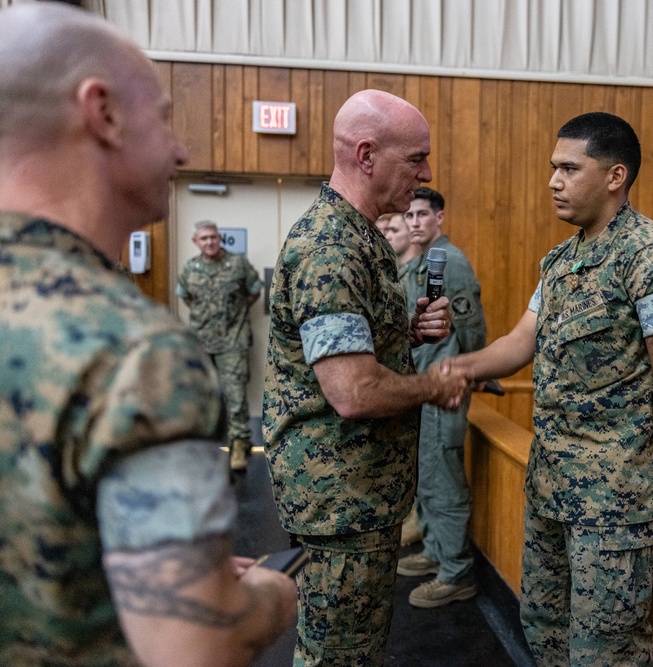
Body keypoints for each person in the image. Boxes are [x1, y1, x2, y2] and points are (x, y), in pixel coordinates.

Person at [0, 5, 297, 667]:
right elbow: (198, 639)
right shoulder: (134, 354)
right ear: (102, 112)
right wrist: (271, 595)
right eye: (163, 117)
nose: (180, 149)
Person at [443, 112, 653, 665]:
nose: (553, 181)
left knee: (604, 653)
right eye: (552, 168)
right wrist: (455, 368)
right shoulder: (561, 261)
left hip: (614, 500)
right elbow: (520, 340)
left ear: (615, 176)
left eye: (568, 168)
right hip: (551, 487)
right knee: (544, 631)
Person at [263, 89, 469, 666]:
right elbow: (352, 392)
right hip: (341, 497)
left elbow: (347, 352)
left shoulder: (359, 235)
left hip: (359, 494)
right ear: (367, 155)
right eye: (416, 159)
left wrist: (406, 333)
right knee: (338, 656)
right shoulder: (332, 247)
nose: (426, 173)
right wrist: (437, 382)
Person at [395, 186, 488, 608]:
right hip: (425, 387)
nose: (414, 222)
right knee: (428, 475)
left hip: (447, 387)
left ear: (439, 219)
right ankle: (435, 551)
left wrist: (468, 373)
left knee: (443, 479)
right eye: (409, 215)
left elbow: (470, 327)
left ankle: (456, 571)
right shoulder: (423, 262)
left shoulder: (449, 261)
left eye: (422, 215)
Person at [177, 220, 263, 471]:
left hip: (233, 340)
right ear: (196, 242)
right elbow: (186, 297)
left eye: (213, 237)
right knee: (203, 393)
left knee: (235, 395)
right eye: (204, 239)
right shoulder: (190, 269)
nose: (209, 242)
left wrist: (236, 313)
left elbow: (254, 290)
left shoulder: (238, 264)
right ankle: (207, 444)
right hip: (202, 341)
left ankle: (239, 443)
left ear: (220, 238)